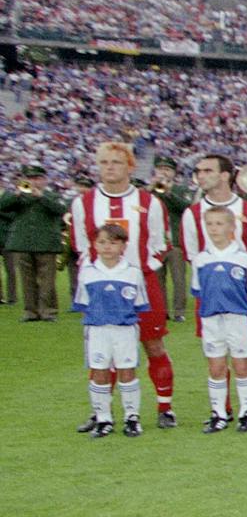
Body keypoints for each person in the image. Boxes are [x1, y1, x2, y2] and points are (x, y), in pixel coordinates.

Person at [72, 142, 177, 428]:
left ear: (130, 166)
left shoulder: (149, 203)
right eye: (104, 162)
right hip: (102, 291)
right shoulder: (83, 203)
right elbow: (80, 247)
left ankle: (165, 408)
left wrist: (138, 272)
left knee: (153, 345)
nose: (109, 167)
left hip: (140, 284)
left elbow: (161, 245)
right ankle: (101, 412)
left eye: (116, 162)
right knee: (102, 353)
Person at [182, 155, 247, 362]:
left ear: (225, 175)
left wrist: (242, 274)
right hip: (213, 286)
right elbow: (191, 254)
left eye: (207, 171)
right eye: (198, 171)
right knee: (220, 354)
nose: (200, 175)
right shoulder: (193, 214)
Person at [191, 207, 247, 432]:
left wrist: (246, 314)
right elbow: (198, 291)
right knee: (216, 367)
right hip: (212, 320)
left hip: (238, 319)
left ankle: (246, 412)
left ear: (232, 227)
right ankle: (218, 413)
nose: (214, 228)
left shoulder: (244, 259)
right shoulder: (201, 259)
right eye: (210, 223)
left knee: (242, 366)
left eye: (219, 224)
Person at [73, 224, 149, 437]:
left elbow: (139, 303)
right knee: (99, 372)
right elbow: (83, 303)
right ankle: (103, 418)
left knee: (127, 371)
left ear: (124, 246)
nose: (107, 247)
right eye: (102, 242)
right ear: (95, 245)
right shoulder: (87, 272)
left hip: (124, 330)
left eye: (113, 242)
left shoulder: (132, 273)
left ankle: (131, 417)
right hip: (97, 330)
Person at [2, 165, 65, 321]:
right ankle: (30, 311)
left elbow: (61, 210)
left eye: (37, 178)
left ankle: (48, 311)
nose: (33, 182)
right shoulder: (19, 197)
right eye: (30, 178)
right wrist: (16, 195)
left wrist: (41, 197)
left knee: (47, 281)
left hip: (46, 243)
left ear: (44, 180)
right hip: (23, 243)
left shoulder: (52, 195)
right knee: (27, 280)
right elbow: (2, 206)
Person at [150, 157, 193, 321]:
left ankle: (179, 312)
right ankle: (162, 311)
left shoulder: (181, 189)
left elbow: (186, 208)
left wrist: (168, 194)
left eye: (167, 169)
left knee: (179, 279)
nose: (163, 171)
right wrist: (150, 188)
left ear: (174, 172)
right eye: (160, 168)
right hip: (156, 244)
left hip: (175, 242)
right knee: (157, 281)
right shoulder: (149, 191)